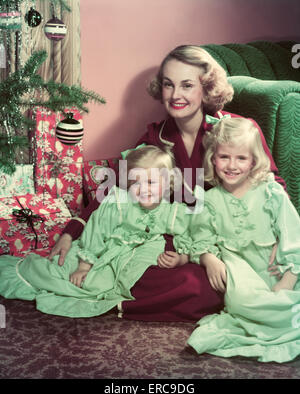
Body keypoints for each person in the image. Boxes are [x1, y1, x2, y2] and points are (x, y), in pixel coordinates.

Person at [49, 45, 285, 322]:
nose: (176, 95)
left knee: (223, 285)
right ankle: (122, 301)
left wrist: (278, 239)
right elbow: (114, 190)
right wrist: (70, 232)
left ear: (206, 88)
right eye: (168, 85)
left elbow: (272, 185)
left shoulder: (238, 130)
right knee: (172, 278)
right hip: (178, 238)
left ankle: (134, 302)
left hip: (234, 235)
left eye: (187, 85)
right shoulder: (153, 138)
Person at [0, 146, 194, 318]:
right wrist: (84, 265)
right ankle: (34, 272)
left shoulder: (171, 211)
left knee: (99, 284)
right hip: (102, 247)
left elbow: (187, 233)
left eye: (150, 182)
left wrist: (182, 258)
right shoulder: (119, 203)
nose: (143, 189)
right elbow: (96, 232)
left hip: (129, 255)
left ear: (168, 184)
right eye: (135, 183)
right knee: (63, 269)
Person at [187, 117, 300, 363]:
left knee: (288, 296)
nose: (232, 165)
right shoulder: (211, 200)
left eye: (241, 158)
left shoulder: (270, 191)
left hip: (276, 265)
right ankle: (273, 313)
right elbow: (200, 235)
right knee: (242, 301)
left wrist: (289, 279)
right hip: (242, 270)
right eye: (224, 157)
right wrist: (208, 258)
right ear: (213, 159)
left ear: (253, 161)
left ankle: (283, 310)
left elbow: (293, 234)